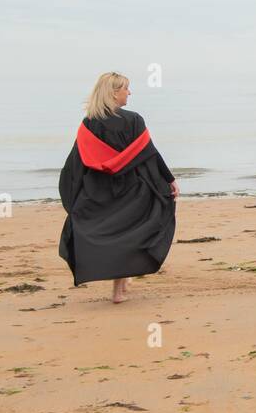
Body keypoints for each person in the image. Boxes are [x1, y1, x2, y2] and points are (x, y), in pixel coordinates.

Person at [59, 72, 178, 303]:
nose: (129, 93)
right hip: (132, 189)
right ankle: (119, 289)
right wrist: (169, 179)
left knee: (115, 237)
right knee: (130, 235)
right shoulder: (134, 120)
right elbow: (149, 154)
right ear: (114, 92)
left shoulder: (88, 124)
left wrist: (73, 195)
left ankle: (120, 287)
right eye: (126, 88)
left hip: (99, 191)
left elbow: (76, 163)